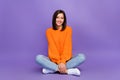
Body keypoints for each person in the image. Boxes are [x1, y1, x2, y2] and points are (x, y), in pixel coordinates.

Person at [36, 10, 85, 76]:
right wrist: (59, 63)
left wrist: (62, 62)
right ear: (54, 18)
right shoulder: (49, 31)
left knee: (82, 57)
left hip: (66, 60)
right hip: (53, 60)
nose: (59, 20)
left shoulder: (68, 29)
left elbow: (67, 47)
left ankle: (52, 69)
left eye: (62, 18)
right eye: (57, 17)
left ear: (64, 20)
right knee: (38, 58)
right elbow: (53, 48)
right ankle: (68, 71)